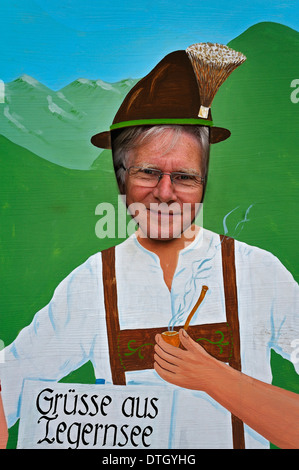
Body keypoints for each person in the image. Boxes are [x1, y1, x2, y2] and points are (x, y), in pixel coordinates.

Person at [0, 43, 298, 449]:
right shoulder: (92, 283)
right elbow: (8, 389)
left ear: (204, 184)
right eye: (148, 172)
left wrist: (213, 377)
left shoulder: (259, 272)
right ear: (121, 179)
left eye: (185, 178)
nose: (165, 193)